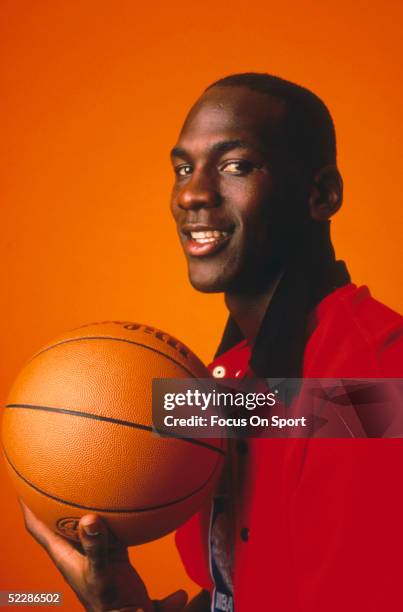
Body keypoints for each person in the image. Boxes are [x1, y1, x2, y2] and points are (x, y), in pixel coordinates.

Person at [21, 73, 403, 612]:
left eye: (235, 166)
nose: (191, 193)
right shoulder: (222, 377)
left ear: (322, 194)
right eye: (183, 168)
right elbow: (241, 590)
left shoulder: (374, 383)